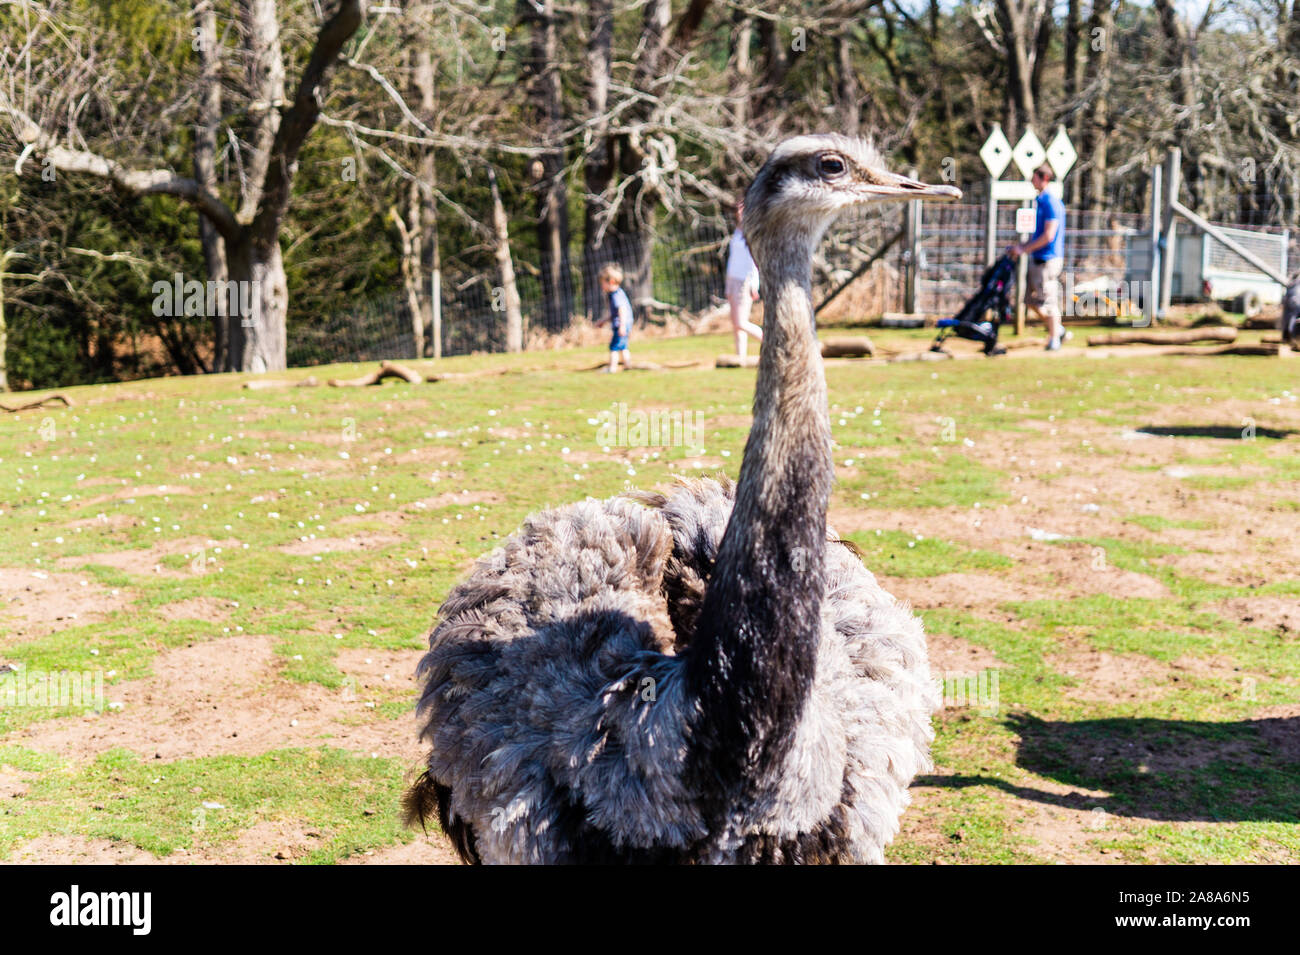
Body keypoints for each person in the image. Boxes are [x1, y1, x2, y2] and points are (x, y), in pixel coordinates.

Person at [1009, 163, 1069, 351]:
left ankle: (1054, 339)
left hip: (1047, 259)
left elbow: (1049, 235)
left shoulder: (1051, 202)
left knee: (1048, 300)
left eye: (1034, 177)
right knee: (1029, 301)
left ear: (1044, 178)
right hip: (1038, 258)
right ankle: (1058, 330)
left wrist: (1024, 249)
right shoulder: (1041, 200)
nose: (1031, 180)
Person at [725, 199, 764, 358]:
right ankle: (740, 357)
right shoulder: (737, 231)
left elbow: (755, 261)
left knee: (741, 322)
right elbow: (734, 259)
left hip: (745, 280)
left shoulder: (752, 232)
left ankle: (769, 343)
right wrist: (728, 285)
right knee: (736, 324)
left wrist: (754, 284)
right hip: (733, 279)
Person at [596, 263, 634, 372]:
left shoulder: (616, 295)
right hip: (625, 324)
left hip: (621, 324)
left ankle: (612, 368)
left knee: (614, 347)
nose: (601, 286)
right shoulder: (617, 294)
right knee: (623, 346)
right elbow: (614, 313)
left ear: (611, 282)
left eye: (602, 283)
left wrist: (622, 325)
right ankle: (627, 365)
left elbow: (622, 310)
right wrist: (603, 321)